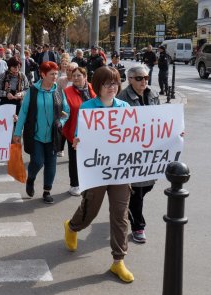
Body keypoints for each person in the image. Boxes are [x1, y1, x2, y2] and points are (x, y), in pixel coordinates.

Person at [64, 66, 134, 283]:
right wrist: (77, 141)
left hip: (120, 169)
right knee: (91, 209)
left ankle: (118, 260)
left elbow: (139, 134)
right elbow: (79, 134)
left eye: (115, 83)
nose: (112, 87)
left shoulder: (125, 107)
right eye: (107, 83)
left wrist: (172, 132)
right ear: (98, 85)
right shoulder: (88, 108)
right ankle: (73, 226)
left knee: (120, 213)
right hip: (97, 169)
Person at [13, 61, 70, 204]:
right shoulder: (32, 91)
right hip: (35, 135)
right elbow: (24, 112)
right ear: (42, 74)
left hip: (53, 135)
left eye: (56, 73)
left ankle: (47, 191)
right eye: (52, 74)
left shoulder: (58, 91)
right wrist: (17, 133)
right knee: (37, 162)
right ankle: (31, 179)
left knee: (51, 163)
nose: (55, 76)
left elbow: (66, 111)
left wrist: (61, 122)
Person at [117, 64, 160, 244]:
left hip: (149, 150)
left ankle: (130, 210)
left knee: (147, 186)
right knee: (137, 191)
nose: (144, 82)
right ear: (130, 79)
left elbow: (161, 118)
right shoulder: (122, 98)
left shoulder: (153, 94)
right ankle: (138, 227)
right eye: (140, 78)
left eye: (146, 78)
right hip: (131, 151)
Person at [62, 67, 96, 196]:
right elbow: (64, 111)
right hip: (73, 131)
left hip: (93, 132)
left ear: (85, 77)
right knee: (75, 159)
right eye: (74, 75)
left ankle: (88, 182)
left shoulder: (94, 89)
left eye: (79, 75)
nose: (76, 78)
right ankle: (75, 184)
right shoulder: (67, 91)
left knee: (91, 158)